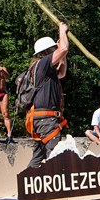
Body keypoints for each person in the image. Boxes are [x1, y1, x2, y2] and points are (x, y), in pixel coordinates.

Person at [27, 22, 69, 168]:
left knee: (38, 156)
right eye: (52, 49)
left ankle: (27, 187)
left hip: (41, 119)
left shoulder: (43, 69)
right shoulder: (42, 64)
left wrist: (62, 53)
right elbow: (64, 48)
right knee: (55, 154)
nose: (54, 51)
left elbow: (62, 73)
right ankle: (56, 188)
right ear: (45, 52)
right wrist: (62, 31)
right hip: (46, 119)